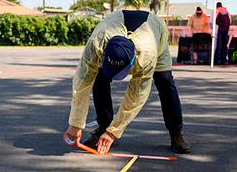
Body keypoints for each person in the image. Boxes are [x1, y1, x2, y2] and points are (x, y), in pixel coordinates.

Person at [65, 10, 191, 155]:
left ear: (133, 60)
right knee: (99, 80)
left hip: (155, 32)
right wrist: (75, 123)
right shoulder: (96, 45)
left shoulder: (146, 55)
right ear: (104, 54)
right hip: (115, 23)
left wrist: (114, 131)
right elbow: (81, 84)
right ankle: (103, 126)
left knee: (165, 82)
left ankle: (176, 132)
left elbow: (136, 97)